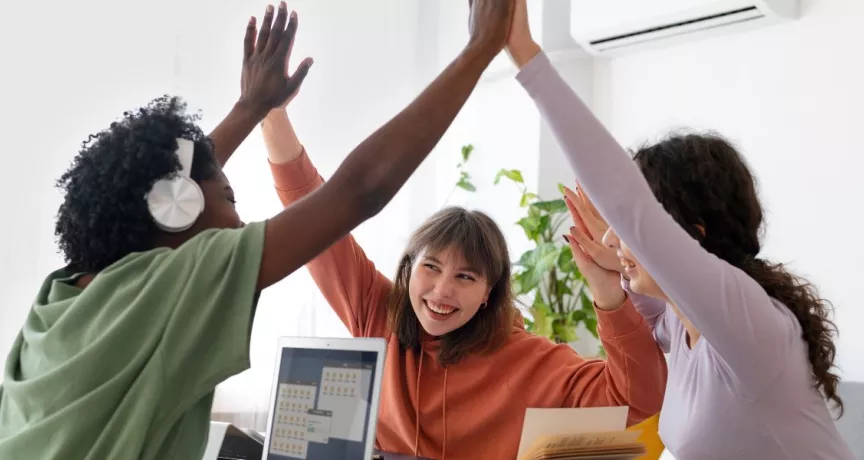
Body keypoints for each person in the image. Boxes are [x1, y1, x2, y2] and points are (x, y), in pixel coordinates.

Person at [0, 1, 516, 458]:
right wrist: (478, 50)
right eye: (228, 195)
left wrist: (252, 107)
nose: (239, 216)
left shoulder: (63, 298)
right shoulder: (172, 283)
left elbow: (163, 197)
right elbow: (360, 190)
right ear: (178, 208)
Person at [263, 62, 667, 460]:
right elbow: (314, 217)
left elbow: (638, 401)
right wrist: (271, 111)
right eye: (431, 268)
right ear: (408, 271)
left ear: (489, 293)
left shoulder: (530, 362)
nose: (442, 291)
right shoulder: (378, 314)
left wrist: (607, 289)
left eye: (465, 276)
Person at [506, 1, 856, 458]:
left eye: (631, 230)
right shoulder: (680, 321)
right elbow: (637, 313)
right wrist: (616, 267)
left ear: (692, 235)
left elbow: (627, 204)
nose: (615, 238)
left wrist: (526, 54)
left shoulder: (745, 319)